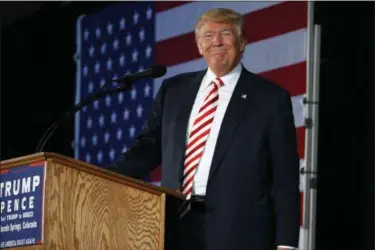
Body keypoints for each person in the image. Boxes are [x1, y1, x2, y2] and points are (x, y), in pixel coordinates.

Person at [108, 8, 300, 250]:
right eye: (208, 36)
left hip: (239, 233)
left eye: (225, 34)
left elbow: (285, 176)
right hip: (175, 226)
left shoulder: (270, 98)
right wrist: (99, 176)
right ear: (199, 46)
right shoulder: (174, 90)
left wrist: (286, 243)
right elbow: (146, 150)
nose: (216, 42)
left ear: (242, 43)